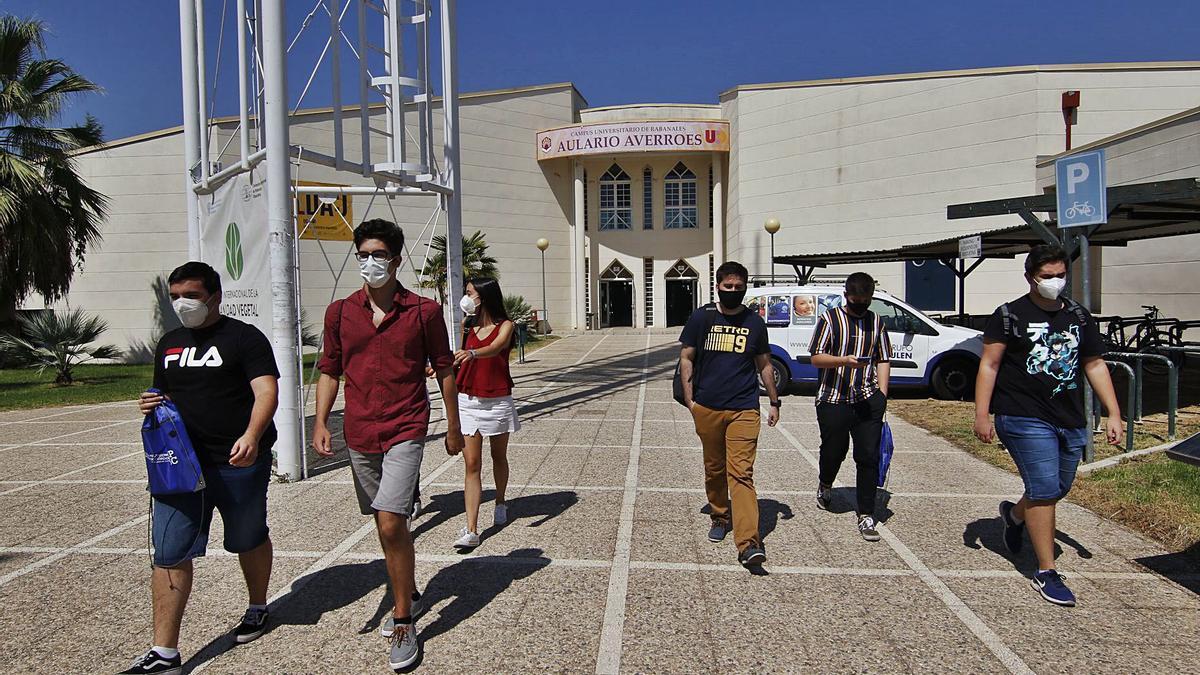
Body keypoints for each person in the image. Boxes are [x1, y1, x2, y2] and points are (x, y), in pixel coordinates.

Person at [312, 219, 465, 669]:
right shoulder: (340, 312)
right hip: (359, 433)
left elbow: (445, 368)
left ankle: (403, 620)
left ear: (397, 258)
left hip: (406, 427)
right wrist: (321, 422)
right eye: (363, 255)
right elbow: (329, 369)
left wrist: (453, 426)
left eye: (378, 254)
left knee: (390, 523)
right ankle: (410, 591)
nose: (370, 262)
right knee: (385, 522)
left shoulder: (423, 312)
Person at [122, 262, 279, 675]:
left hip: (237, 462)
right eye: (175, 296)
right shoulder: (170, 342)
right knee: (169, 551)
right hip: (180, 466)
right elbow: (164, 391)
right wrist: (150, 400)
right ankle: (165, 654)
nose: (182, 304)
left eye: (190, 295)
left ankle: (258, 605)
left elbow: (267, 391)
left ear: (215, 296)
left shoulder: (245, 338)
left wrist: (252, 435)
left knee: (248, 537)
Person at [974, 244, 1123, 607]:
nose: (1055, 283)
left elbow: (1094, 364)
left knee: (1057, 488)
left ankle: (1013, 515)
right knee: (1042, 488)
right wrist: (982, 413)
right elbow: (989, 365)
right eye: (1047, 277)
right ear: (1030, 278)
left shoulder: (1078, 316)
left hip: (1069, 418)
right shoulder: (1009, 315)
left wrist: (1114, 412)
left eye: (1060, 276)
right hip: (1022, 415)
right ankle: (1046, 571)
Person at [679, 261, 781, 568]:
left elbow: (764, 364)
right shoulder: (702, 318)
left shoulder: (754, 322)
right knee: (714, 468)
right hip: (707, 407)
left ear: (745, 287)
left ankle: (749, 543)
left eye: (739, 287)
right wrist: (691, 401)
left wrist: (774, 402)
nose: (734, 292)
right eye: (728, 287)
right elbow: (686, 358)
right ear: (718, 286)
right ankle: (720, 515)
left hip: (744, 408)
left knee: (742, 474)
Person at [809, 272, 891, 542]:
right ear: (846, 296)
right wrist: (844, 360)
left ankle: (866, 513)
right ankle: (826, 482)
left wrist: (882, 393)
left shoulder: (876, 322)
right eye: (855, 301)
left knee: (868, 456)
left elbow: (883, 358)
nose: (860, 306)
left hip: (868, 399)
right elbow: (817, 358)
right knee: (835, 449)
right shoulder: (830, 320)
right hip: (834, 398)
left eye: (865, 301)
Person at [451, 277, 520, 549]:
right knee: (472, 464)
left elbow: (495, 347)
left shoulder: (506, 325)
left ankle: (501, 500)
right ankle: (472, 529)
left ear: (484, 296)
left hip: (497, 399)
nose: (466, 298)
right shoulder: (466, 325)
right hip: (468, 399)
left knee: (498, 456)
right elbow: (458, 356)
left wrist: (472, 353)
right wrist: (444, 367)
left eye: (470, 293)